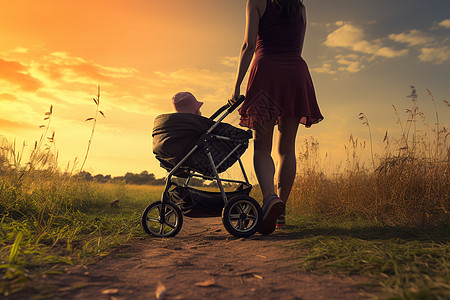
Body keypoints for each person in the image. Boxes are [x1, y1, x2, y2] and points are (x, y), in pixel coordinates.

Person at [231, 0, 323, 234]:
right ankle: (280, 213)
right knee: (287, 149)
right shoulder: (300, 7)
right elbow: (297, 47)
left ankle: (270, 199)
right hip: (295, 74)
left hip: (266, 73)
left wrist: (236, 87)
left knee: (262, 148)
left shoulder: (257, 2)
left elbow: (248, 45)